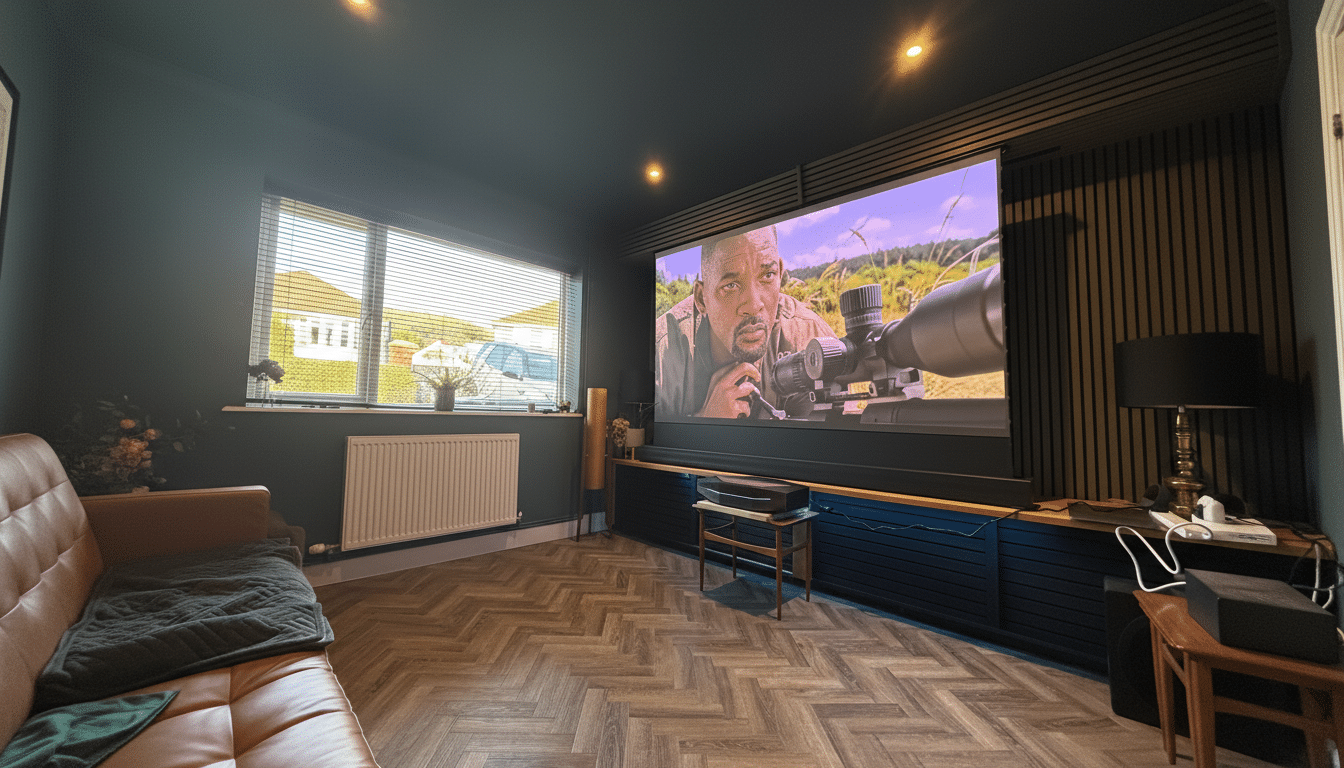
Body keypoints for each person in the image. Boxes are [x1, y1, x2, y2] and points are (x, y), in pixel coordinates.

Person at [656, 225, 836, 419]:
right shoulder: (664, 353)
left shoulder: (810, 336)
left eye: (767, 276)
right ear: (702, 298)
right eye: (731, 286)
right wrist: (706, 420)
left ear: (781, 273)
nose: (753, 305)